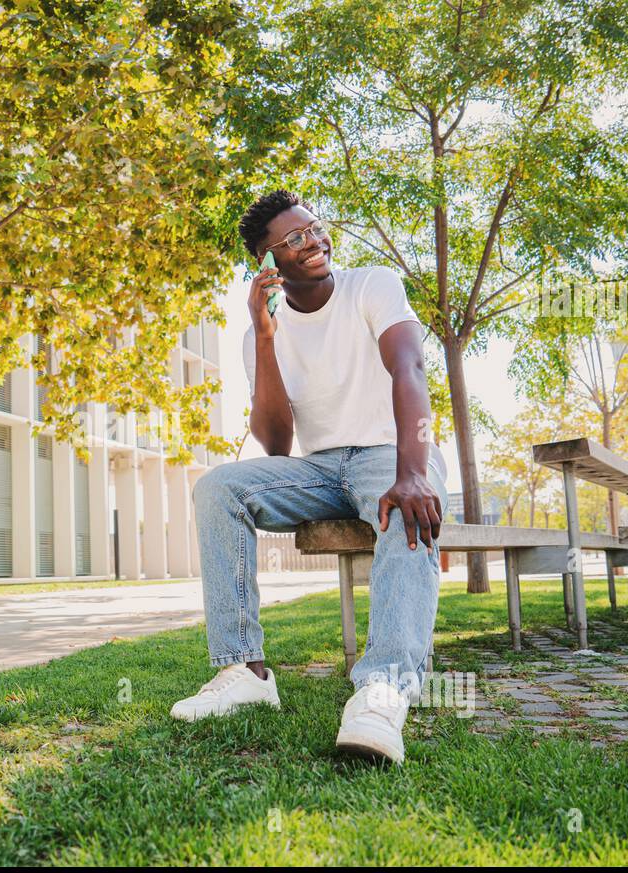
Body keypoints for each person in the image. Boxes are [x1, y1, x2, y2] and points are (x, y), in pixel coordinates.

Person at [170, 190, 448, 765]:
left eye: (314, 228)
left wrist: (413, 471)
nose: (313, 242)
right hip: (319, 468)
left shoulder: (371, 284)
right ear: (267, 264)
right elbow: (276, 444)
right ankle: (245, 672)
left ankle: (384, 689)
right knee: (218, 487)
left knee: (406, 506)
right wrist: (266, 339)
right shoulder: (258, 336)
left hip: (392, 451)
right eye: (292, 239)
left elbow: (410, 366)